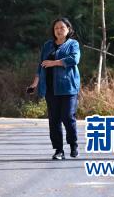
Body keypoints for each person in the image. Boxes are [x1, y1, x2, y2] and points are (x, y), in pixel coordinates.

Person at [27, 17, 81, 160]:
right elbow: (41, 65)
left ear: (68, 29)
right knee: (54, 120)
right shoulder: (47, 45)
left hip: (68, 87)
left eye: (62, 28)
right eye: (56, 28)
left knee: (68, 117)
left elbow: (74, 59)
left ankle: (73, 144)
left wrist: (55, 63)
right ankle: (59, 150)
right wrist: (35, 83)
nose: (58, 30)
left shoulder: (73, 44)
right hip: (50, 88)